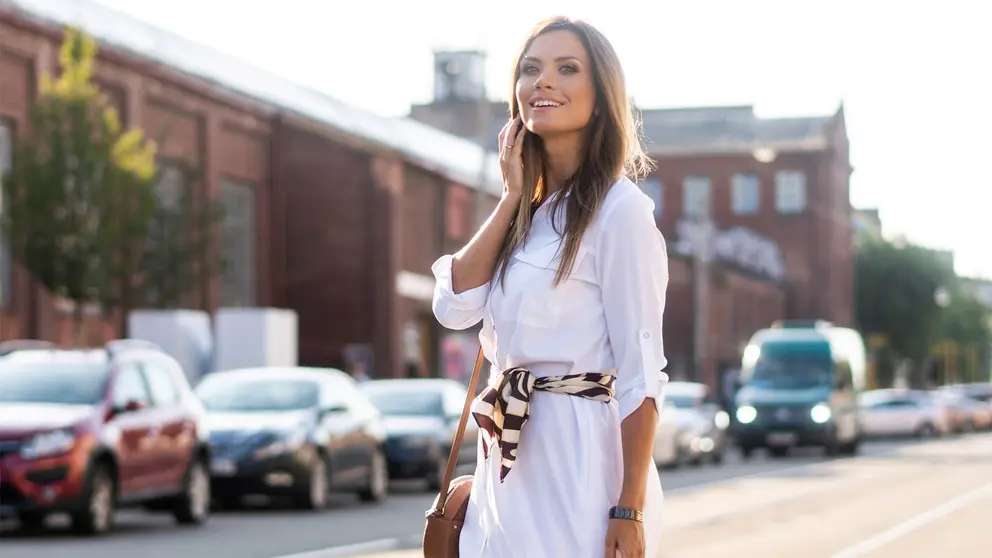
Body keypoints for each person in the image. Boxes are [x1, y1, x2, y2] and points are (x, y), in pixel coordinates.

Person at [430, 16, 669, 558]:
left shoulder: (620, 212)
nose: (544, 81)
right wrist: (512, 195)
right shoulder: (527, 216)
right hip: (507, 463)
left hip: (580, 465)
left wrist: (628, 508)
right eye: (531, 69)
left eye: (567, 69)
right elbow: (453, 305)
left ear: (601, 95)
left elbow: (642, 372)